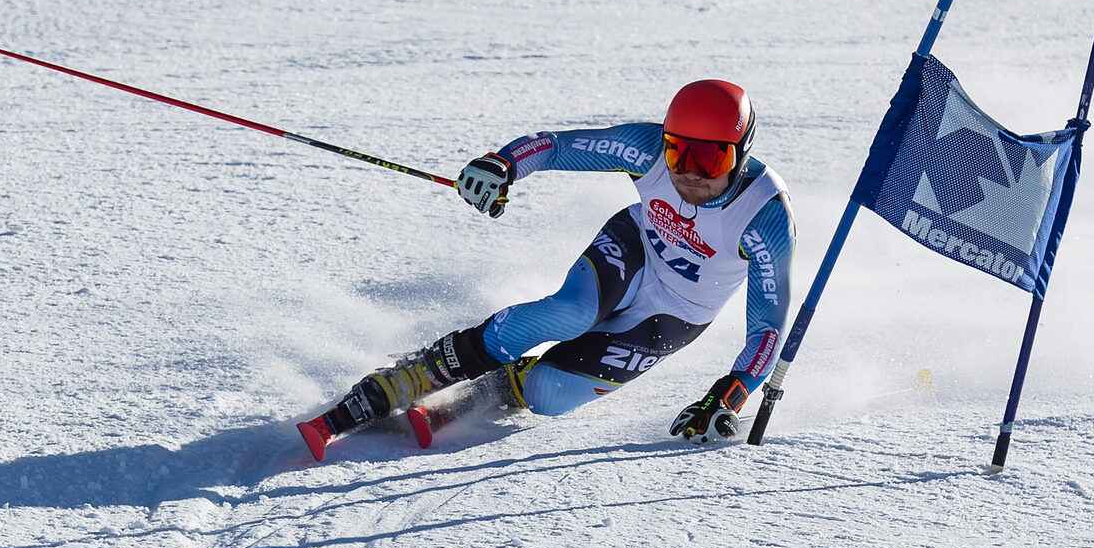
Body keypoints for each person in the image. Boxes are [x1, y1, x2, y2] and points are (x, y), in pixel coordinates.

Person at [298, 79, 795, 460]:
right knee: (570, 312)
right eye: (676, 150)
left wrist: (727, 398)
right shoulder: (646, 152)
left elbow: (768, 331)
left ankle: (501, 385)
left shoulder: (763, 216)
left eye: (708, 158)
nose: (686, 170)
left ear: (740, 153)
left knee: (550, 396)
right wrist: (503, 165)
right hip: (636, 248)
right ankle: (417, 373)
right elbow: (557, 145)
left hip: (677, 314)